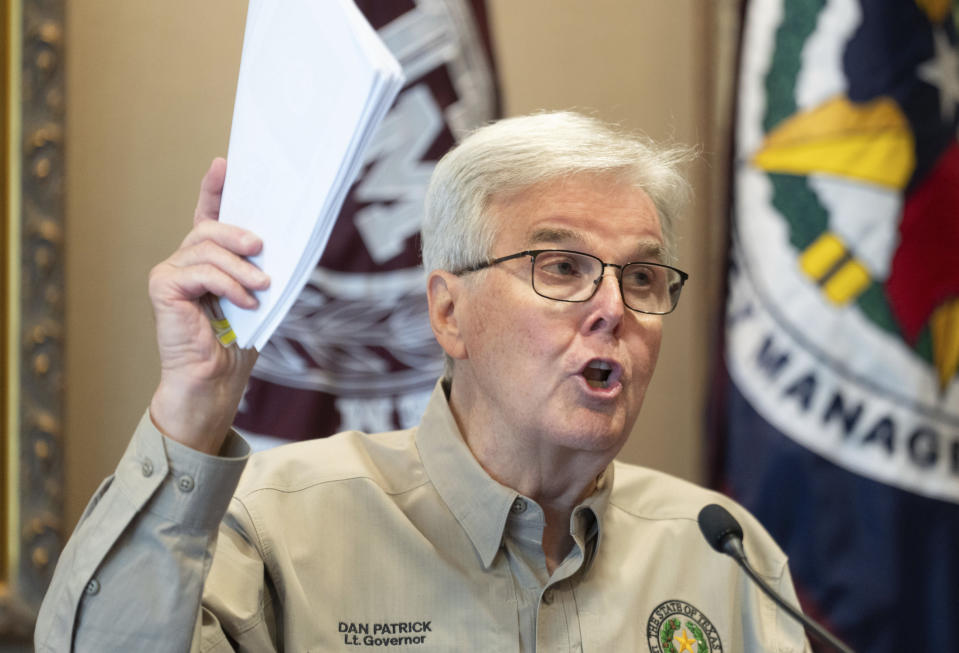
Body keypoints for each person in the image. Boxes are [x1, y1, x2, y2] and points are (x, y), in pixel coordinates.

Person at [36, 112, 810, 652]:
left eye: (641, 277)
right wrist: (191, 408)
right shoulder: (274, 525)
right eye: (562, 267)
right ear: (449, 312)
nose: (612, 308)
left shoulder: (721, 552)